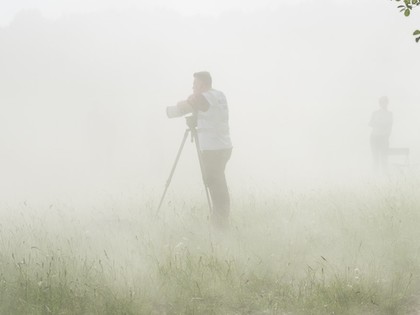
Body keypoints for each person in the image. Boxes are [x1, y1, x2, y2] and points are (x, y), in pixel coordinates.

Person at [176, 72, 233, 228]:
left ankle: (220, 225)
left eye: (195, 84)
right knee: (218, 182)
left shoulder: (206, 96)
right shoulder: (219, 94)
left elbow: (193, 103)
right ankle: (220, 220)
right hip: (224, 146)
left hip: (213, 150)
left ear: (202, 85)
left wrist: (186, 101)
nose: (193, 87)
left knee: (215, 184)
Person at [369, 96, 393, 175]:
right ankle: (375, 176)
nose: (383, 104)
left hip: (384, 138)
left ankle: (385, 176)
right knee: (375, 158)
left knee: (384, 158)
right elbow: (370, 123)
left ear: (387, 103)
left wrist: (387, 137)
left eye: (385, 102)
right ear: (380, 104)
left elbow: (390, 126)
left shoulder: (390, 114)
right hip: (375, 137)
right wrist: (379, 124)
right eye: (382, 102)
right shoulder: (375, 113)